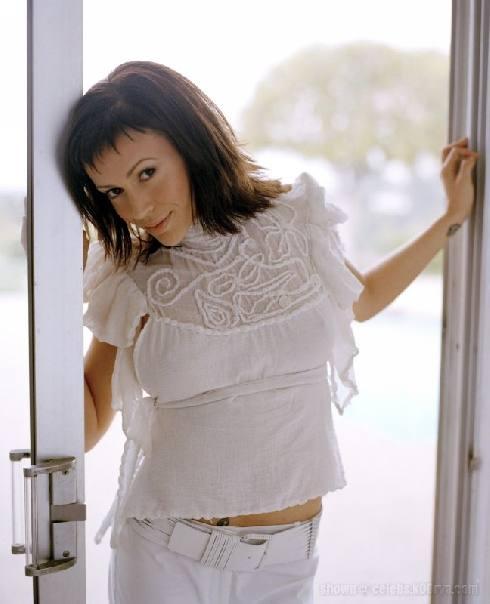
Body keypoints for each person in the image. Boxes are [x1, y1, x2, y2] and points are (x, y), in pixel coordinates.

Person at [59, 60, 478, 604]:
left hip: (282, 563)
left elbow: (365, 298)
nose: (138, 207)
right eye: (114, 192)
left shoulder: (295, 221)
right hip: (165, 554)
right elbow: (87, 423)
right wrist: (55, 297)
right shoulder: (129, 272)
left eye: (146, 173)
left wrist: (450, 218)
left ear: (191, 144)